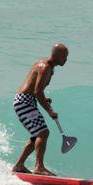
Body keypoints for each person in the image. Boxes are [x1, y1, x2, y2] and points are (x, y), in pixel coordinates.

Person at [12, 43, 68, 176]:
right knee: (43, 133)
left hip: (27, 100)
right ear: (57, 55)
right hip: (24, 101)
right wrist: (49, 111)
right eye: (64, 56)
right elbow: (38, 91)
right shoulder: (45, 67)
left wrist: (44, 99)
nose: (66, 59)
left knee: (36, 135)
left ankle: (19, 165)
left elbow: (34, 89)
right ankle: (39, 167)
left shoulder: (48, 67)